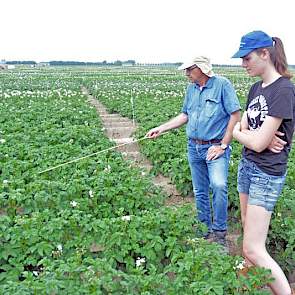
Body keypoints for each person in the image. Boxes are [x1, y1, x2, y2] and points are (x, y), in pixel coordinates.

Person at [146, 56, 241, 249]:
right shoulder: (191, 89)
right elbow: (185, 115)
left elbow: (235, 114)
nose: (186, 73)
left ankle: (220, 233)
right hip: (194, 147)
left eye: (190, 69)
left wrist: (223, 145)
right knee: (199, 190)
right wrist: (161, 128)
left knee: (219, 186)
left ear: (202, 69)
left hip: (215, 147)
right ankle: (203, 229)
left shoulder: (222, 84)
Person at [232, 30, 295, 295]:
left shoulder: (283, 90)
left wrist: (239, 135)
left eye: (247, 58)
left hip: (265, 174)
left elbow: (251, 138)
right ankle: (254, 285)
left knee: (252, 248)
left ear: (264, 53)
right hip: (247, 167)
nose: (243, 64)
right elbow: (248, 128)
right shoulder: (256, 88)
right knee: (248, 231)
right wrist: (250, 135)